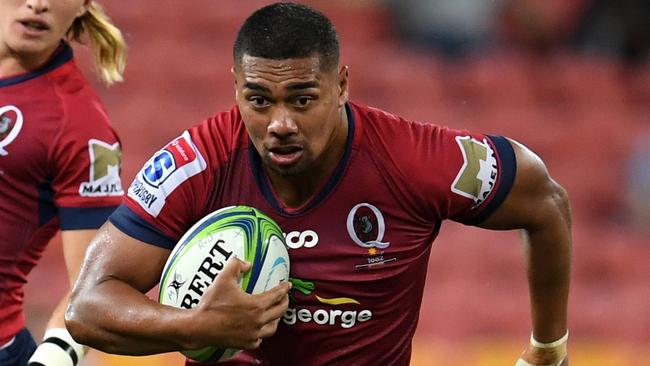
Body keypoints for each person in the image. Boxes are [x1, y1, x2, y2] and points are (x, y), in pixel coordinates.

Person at [66, 2, 571, 366]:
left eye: (302, 99)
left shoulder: (411, 159)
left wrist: (547, 350)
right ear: (236, 90)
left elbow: (545, 202)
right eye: (259, 101)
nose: (280, 122)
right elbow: (86, 308)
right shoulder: (197, 164)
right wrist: (198, 327)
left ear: (342, 85)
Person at [0, 0, 126, 365]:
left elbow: (94, 283)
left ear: (83, 4)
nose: (38, 3)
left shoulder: (82, 127)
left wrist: (55, 357)